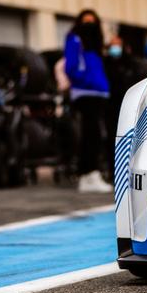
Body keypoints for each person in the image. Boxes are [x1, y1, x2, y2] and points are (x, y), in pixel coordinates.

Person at [65, 10, 112, 194]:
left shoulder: (96, 44)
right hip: (85, 92)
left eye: (92, 22)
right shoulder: (75, 39)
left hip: (98, 93)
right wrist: (87, 80)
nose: (89, 25)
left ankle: (90, 173)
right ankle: (88, 173)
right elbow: (71, 67)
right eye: (86, 21)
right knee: (90, 135)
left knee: (95, 135)